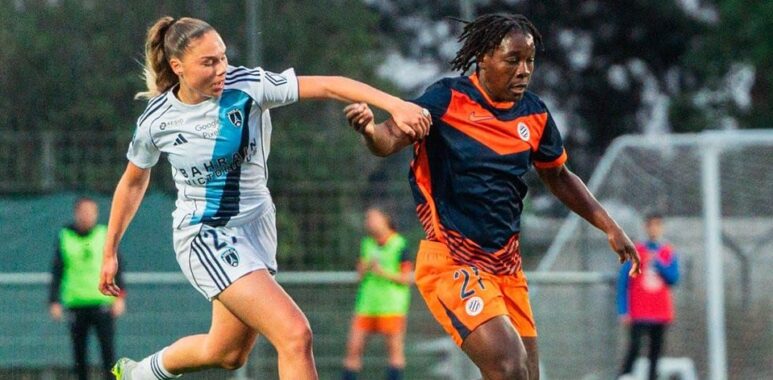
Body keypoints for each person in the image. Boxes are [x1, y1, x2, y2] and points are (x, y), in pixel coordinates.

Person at [98, 16, 430, 380]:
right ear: (177, 67)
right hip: (206, 234)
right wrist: (110, 250)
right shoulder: (156, 121)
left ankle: (139, 374)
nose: (222, 68)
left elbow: (330, 86)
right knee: (294, 333)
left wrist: (395, 105)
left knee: (226, 353)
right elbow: (132, 182)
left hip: (257, 228)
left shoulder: (249, 86)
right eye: (208, 62)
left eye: (223, 57)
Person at [344, 13, 641, 380]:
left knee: (525, 375)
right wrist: (370, 130)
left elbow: (559, 176)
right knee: (507, 364)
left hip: (507, 269)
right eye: (513, 60)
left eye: (530, 61)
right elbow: (389, 138)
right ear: (483, 57)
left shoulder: (534, 115)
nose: (524, 71)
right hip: (453, 261)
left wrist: (609, 226)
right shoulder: (447, 99)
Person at [49, 197, 126, 380]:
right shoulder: (65, 236)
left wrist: (120, 297)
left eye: (91, 212)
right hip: (76, 303)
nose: (87, 216)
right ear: (76, 213)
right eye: (83, 212)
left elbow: (119, 267)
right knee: (79, 355)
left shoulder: (104, 234)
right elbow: (57, 270)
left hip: (102, 302)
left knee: (108, 352)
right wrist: (54, 301)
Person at [342, 207, 412, 380]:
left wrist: (382, 272)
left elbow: (406, 277)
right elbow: (359, 272)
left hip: (392, 306)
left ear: (385, 219)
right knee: (353, 348)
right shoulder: (367, 243)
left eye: (373, 218)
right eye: (367, 219)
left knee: (395, 352)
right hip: (366, 304)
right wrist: (366, 267)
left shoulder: (400, 244)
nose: (369, 222)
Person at [617, 213, 679, 380]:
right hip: (639, 312)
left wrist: (658, 263)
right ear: (646, 227)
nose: (654, 229)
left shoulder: (667, 252)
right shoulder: (636, 251)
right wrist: (623, 310)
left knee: (655, 354)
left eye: (657, 225)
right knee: (634, 349)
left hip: (660, 313)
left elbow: (674, 278)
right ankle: (623, 376)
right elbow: (623, 282)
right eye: (651, 225)